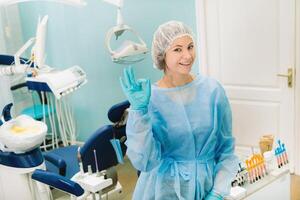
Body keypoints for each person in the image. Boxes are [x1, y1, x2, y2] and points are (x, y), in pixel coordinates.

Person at [120, 21, 239, 200]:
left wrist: (218, 191)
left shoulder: (212, 91)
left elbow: (226, 151)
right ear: (162, 55)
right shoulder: (150, 99)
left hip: (206, 188)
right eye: (177, 49)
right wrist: (139, 111)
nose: (187, 55)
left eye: (190, 47)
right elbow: (144, 161)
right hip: (162, 191)